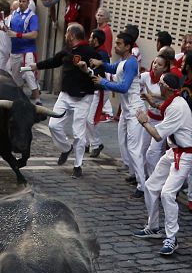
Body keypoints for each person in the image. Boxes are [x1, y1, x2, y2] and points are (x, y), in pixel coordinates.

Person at [133, 73, 192, 256]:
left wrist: (144, 122)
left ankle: (171, 238)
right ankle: (153, 227)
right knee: (151, 186)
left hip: (185, 156)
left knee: (167, 193)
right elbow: (162, 106)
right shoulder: (173, 102)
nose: (158, 86)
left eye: (160, 84)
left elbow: (158, 135)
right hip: (173, 152)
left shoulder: (177, 107)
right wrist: (151, 102)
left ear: (166, 88)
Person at [31, 23, 97, 179]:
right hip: (65, 95)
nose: (65, 35)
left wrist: (88, 70)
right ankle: (66, 148)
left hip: (83, 97)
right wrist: (36, 66)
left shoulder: (89, 52)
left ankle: (78, 165)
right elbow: (54, 61)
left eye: (67, 32)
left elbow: (99, 70)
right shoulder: (67, 51)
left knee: (78, 133)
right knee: (53, 125)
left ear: (72, 35)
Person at [91, 32, 144, 198]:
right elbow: (113, 68)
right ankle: (134, 173)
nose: (116, 46)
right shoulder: (124, 61)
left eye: (119, 44)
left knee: (135, 149)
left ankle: (142, 186)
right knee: (124, 143)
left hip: (135, 110)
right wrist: (101, 63)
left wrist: (103, 82)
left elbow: (123, 87)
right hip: (127, 110)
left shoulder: (131, 63)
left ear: (128, 47)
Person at [139, 54, 172, 182]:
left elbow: (164, 95)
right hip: (149, 118)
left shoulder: (166, 80)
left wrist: (149, 95)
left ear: (165, 68)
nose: (155, 66)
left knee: (153, 153)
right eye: (154, 63)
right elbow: (134, 82)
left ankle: (154, 182)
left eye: (159, 64)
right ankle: (142, 180)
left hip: (162, 121)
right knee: (142, 149)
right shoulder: (146, 76)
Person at [7, 0, 39, 103]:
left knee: (29, 72)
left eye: (23, 1)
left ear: (28, 3)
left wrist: (17, 35)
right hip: (15, 50)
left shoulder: (32, 16)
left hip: (27, 50)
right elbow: (8, 30)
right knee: (16, 77)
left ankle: (37, 98)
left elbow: (34, 34)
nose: (21, 3)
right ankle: (19, 99)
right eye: (20, 1)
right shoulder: (13, 14)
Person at [85, 28, 109, 158]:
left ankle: (96, 143)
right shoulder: (96, 51)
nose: (89, 39)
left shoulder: (102, 54)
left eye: (91, 37)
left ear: (96, 40)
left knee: (91, 119)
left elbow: (102, 72)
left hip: (100, 90)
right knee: (86, 117)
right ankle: (89, 143)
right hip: (94, 90)